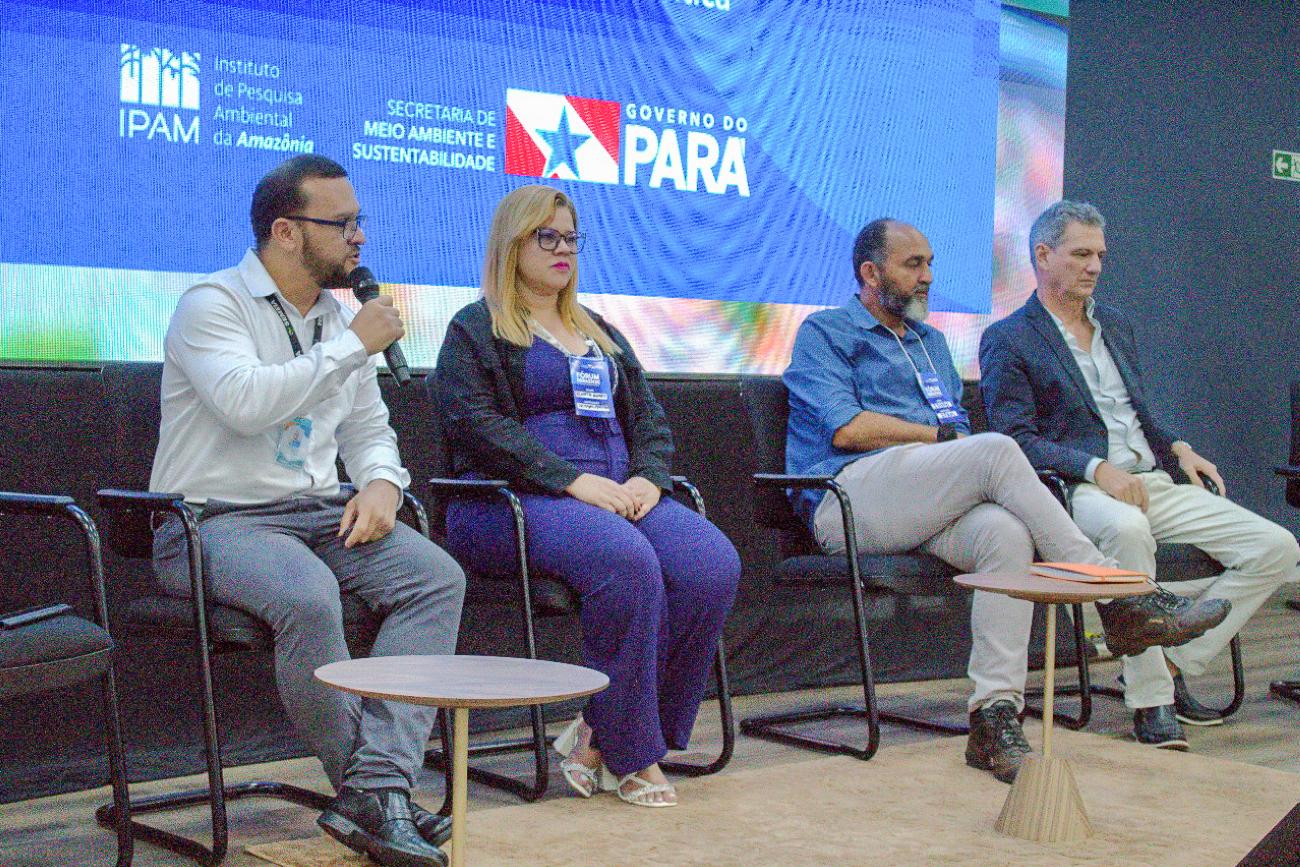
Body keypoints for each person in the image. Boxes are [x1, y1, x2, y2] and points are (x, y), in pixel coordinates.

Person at [783, 217, 1229, 783]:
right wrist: (943, 440)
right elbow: (848, 429)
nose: (927, 276)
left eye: (930, 263)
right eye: (913, 265)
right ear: (871, 274)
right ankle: (1119, 597)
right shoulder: (825, 332)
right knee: (994, 449)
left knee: (1006, 535)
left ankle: (993, 718)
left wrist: (952, 445)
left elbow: (958, 434)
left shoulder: (931, 343)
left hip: (925, 500)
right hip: (847, 500)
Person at [150, 155, 465, 867]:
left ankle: (375, 788)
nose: (359, 237)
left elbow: (369, 431)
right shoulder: (213, 304)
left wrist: (382, 484)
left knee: (435, 577)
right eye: (342, 223)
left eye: (359, 222)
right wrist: (353, 347)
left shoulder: (336, 319)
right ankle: (377, 797)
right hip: (212, 521)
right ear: (286, 231)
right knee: (308, 595)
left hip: (321, 515)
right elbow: (246, 402)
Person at [430, 184, 740, 808]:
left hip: (619, 495)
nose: (563, 249)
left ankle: (602, 728)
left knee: (711, 565)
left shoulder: (599, 330)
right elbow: (475, 426)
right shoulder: (476, 328)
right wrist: (569, 480)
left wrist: (647, 476)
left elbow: (648, 420)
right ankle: (634, 754)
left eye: (571, 238)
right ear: (512, 244)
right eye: (547, 237)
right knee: (626, 560)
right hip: (510, 502)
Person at [979, 200, 1298, 749]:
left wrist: (1177, 447)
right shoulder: (1010, 337)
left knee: (1277, 547)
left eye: (1100, 255)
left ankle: (1169, 664)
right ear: (1043, 255)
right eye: (1081, 254)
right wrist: (1095, 468)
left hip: (1148, 478)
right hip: (1076, 488)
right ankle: (1152, 703)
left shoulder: (1115, 324)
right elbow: (1015, 440)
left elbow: (1133, 412)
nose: (1094, 266)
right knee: (1128, 531)